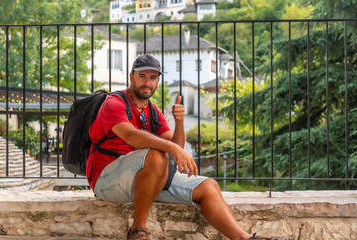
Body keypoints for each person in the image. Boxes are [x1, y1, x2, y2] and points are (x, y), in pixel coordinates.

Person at [86, 54, 271, 240]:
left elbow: (177, 146)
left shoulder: (152, 110)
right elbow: (132, 136)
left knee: (208, 186)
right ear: (131, 77)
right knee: (158, 156)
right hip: (106, 179)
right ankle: (138, 229)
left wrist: (179, 122)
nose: (147, 82)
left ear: (158, 81)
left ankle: (245, 238)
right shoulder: (114, 103)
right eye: (142, 76)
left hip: (143, 180)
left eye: (153, 78)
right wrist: (173, 149)